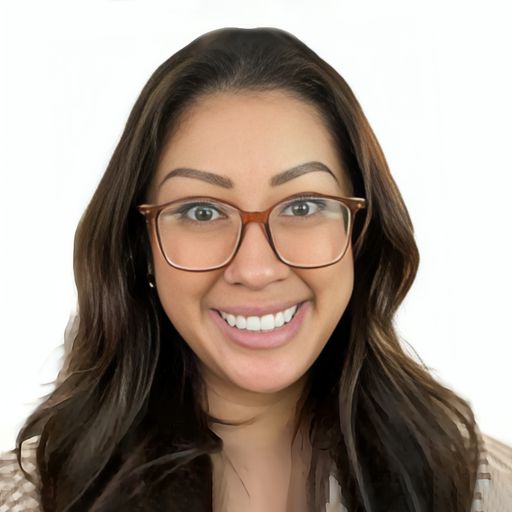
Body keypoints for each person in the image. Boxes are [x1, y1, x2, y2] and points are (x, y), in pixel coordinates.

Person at [1, 26, 511, 512]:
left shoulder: (478, 487)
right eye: (202, 212)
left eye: (303, 206)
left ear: (361, 233)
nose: (255, 269)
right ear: (141, 245)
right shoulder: (29, 497)